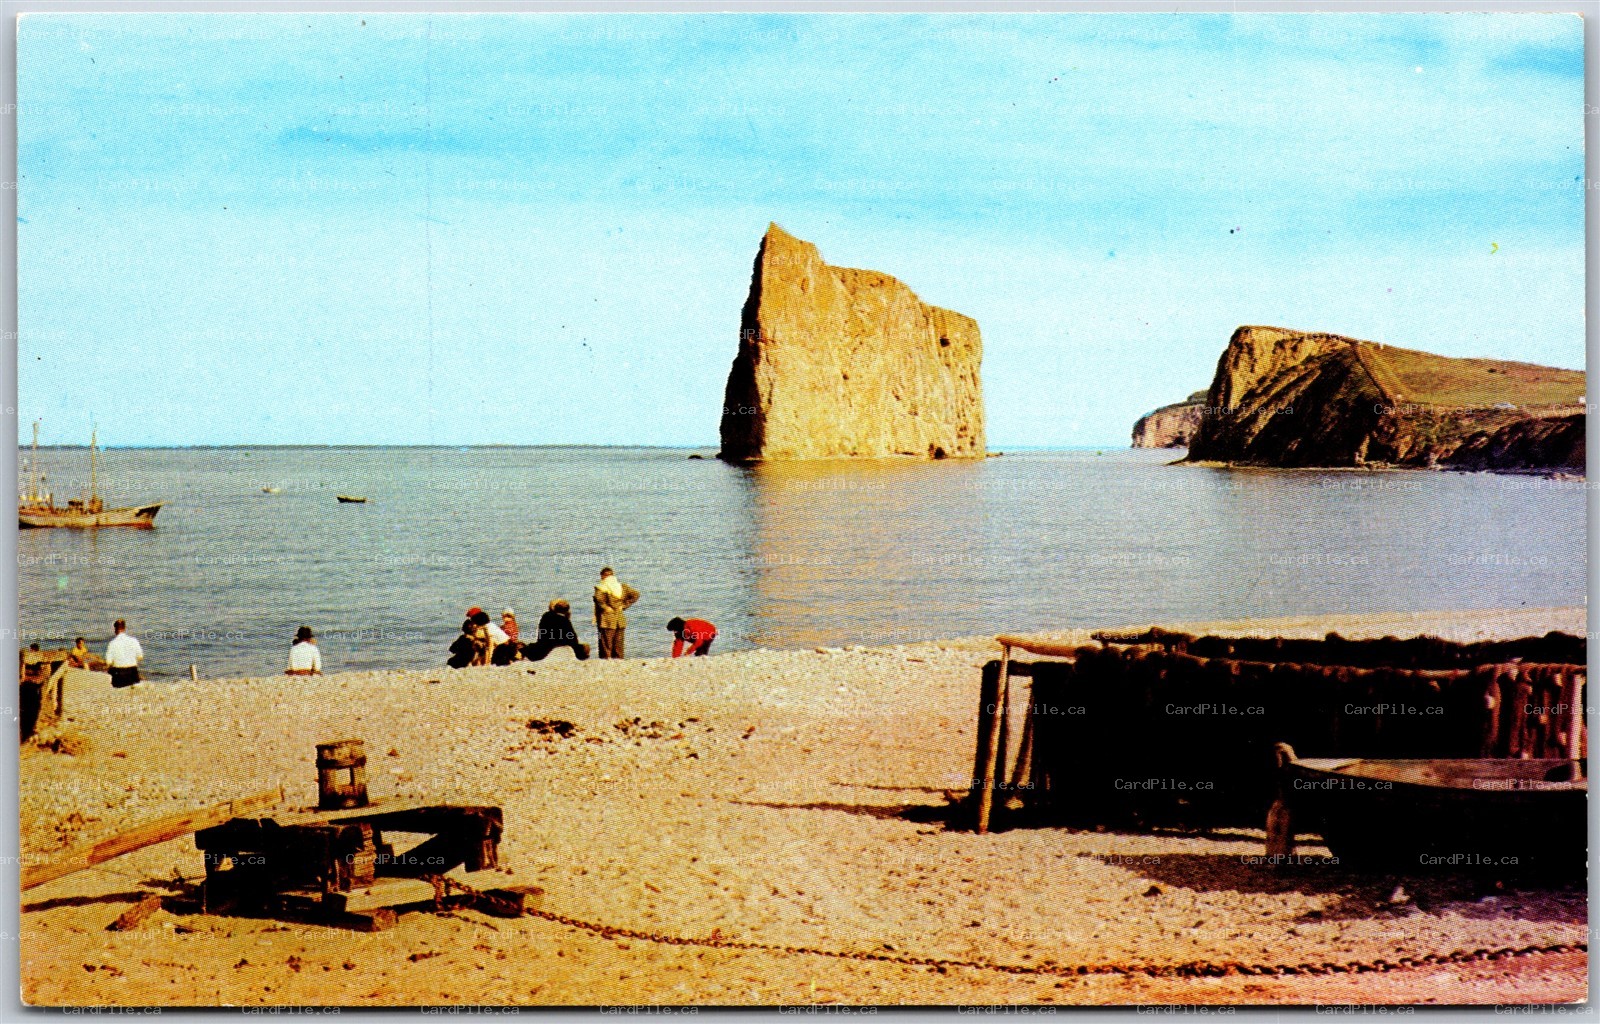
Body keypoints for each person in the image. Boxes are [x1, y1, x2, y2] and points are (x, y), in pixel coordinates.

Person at [593, 567, 639, 660]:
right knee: (618, 645)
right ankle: (619, 662)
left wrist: (606, 608)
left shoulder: (601, 588)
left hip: (606, 620)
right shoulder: (622, 587)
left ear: (603, 576)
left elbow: (599, 600)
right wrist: (624, 605)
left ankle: (606, 663)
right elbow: (636, 594)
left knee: (606, 645)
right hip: (620, 619)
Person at [525, 599, 591, 662]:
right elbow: (572, 638)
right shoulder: (564, 620)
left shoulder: (546, 616)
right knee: (585, 647)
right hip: (558, 645)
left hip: (544, 647)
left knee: (528, 646)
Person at [105, 619, 143, 688]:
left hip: (119, 674)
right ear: (124, 628)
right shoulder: (134, 640)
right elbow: (140, 657)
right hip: (132, 673)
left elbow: (108, 662)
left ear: (115, 630)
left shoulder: (112, 643)